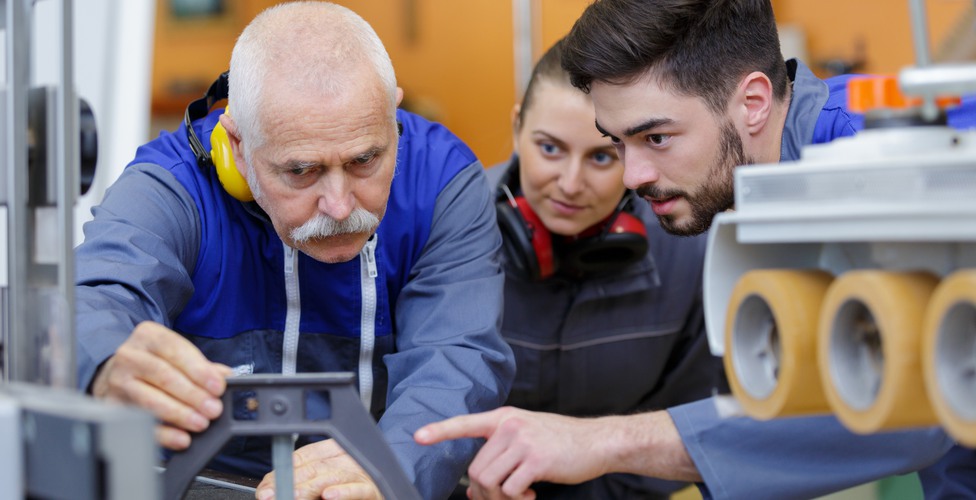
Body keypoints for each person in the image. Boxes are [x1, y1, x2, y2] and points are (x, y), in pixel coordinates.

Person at [415, 0, 976, 499]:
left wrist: (605, 441)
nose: (633, 176)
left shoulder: (880, 164)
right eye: (619, 142)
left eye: (656, 138)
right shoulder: (763, 186)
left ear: (753, 102)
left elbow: (913, 400)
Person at [74, 2, 514, 499]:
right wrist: (106, 361)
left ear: (393, 114)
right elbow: (95, 296)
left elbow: (456, 358)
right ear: (236, 145)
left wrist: (392, 468)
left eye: (365, 159)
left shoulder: (442, 181)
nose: (340, 205)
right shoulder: (173, 186)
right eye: (301, 171)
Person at [483, 38, 722, 498]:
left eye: (600, 156)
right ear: (517, 128)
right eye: (549, 148)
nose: (570, 185)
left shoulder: (689, 250)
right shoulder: (448, 234)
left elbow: (689, 422)